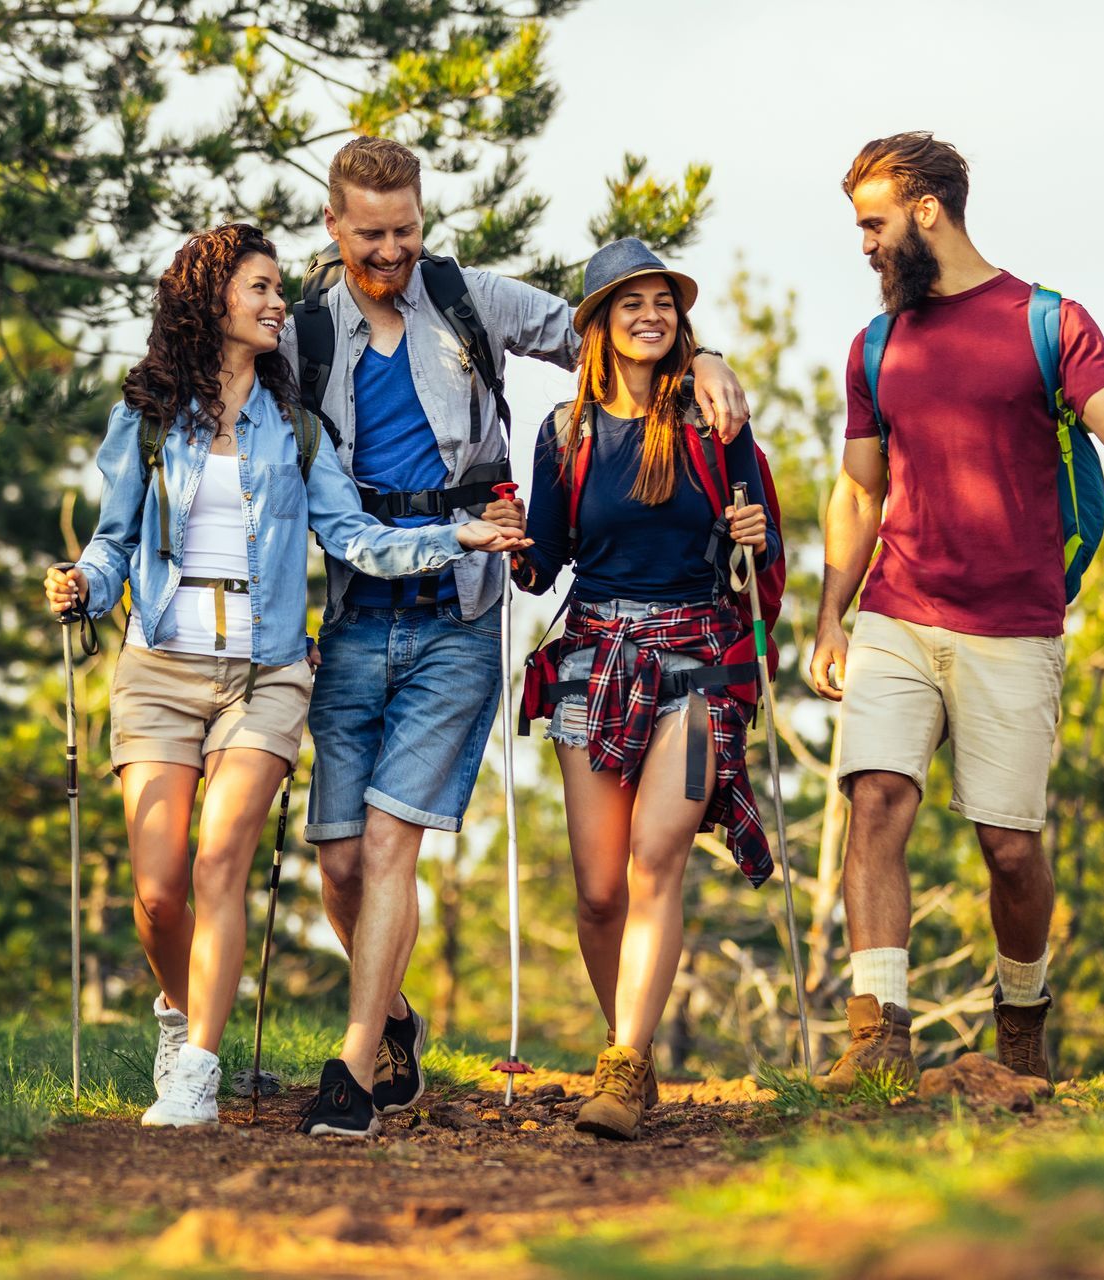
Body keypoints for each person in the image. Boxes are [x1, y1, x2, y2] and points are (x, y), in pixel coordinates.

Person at [281, 136, 752, 1139]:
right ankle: (401, 1028)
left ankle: (360, 1069)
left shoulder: (463, 297)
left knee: (397, 837)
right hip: (362, 599)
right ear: (334, 227)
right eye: (371, 234)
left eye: (407, 229)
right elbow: (244, 414)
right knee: (343, 866)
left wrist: (703, 351)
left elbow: (601, 329)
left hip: (467, 602)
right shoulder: (305, 332)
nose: (393, 249)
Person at [43, 223, 528, 1129]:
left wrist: (452, 537)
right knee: (158, 891)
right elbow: (113, 546)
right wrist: (83, 586)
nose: (279, 306)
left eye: (277, 290)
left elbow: (353, 537)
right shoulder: (144, 417)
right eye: (261, 289)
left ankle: (197, 1073)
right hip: (157, 669)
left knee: (221, 860)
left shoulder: (298, 430)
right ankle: (180, 1012)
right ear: (210, 299)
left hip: (264, 675)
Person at [811, 133, 1104, 1089]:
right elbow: (858, 492)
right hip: (898, 608)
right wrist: (831, 614)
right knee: (875, 798)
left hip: (1014, 623)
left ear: (927, 211)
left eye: (874, 223)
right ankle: (878, 1034)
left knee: (1009, 848)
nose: (866, 245)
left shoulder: (1048, 321)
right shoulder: (875, 345)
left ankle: (1020, 1016)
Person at [513, 239, 776, 1141]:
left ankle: (622, 1067)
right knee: (597, 889)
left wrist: (755, 531)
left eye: (663, 302)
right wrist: (517, 541)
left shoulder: (713, 420)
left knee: (658, 855)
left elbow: (761, 550)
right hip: (594, 653)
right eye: (630, 305)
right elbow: (543, 566)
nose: (650, 316)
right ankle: (629, 1041)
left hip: (697, 655)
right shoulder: (563, 434)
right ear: (596, 324)